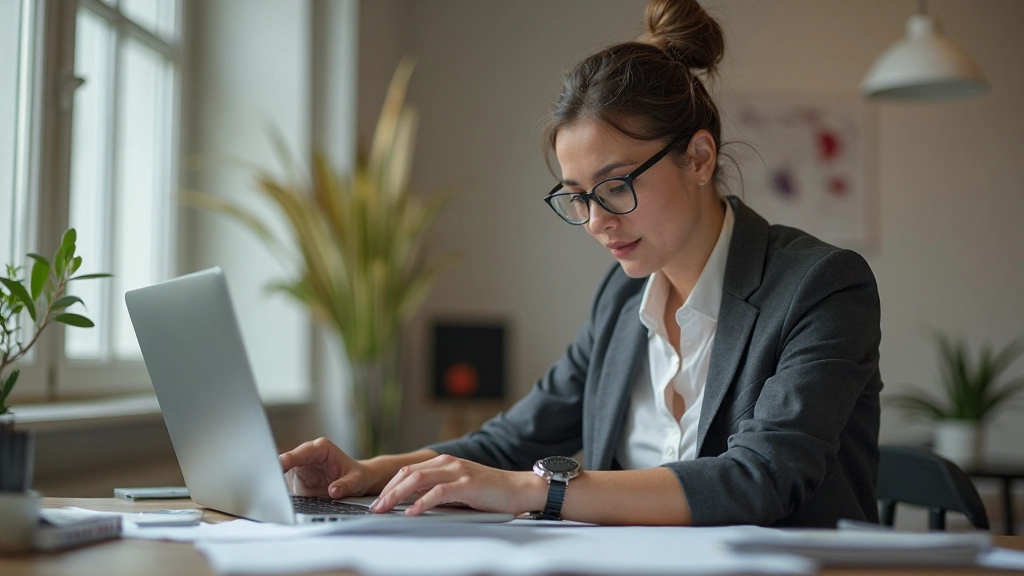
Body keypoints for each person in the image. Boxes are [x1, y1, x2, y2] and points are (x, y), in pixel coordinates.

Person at [279, 0, 882, 528]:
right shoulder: (622, 302)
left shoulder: (821, 286)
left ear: (698, 158)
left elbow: (762, 477)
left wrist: (535, 490)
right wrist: (370, 471)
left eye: (616, 186)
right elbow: (515, 439)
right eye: (577, 196)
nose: (595, 221)